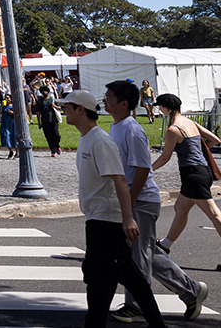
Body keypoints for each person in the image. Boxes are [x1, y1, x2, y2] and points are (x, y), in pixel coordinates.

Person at [56, 89, 166, 328]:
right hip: (98, 219)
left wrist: (128, 219)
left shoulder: (100, 141)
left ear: (80, 110)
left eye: (67, 107)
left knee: (98, 285)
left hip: (106, 223)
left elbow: (119, 180)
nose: (63, 111)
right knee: (133, 281)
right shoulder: (87, 138)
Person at [103, 82, 209, 323]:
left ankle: (137, 306)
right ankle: (191, 290)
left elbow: (142, 169)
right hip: (133, 199)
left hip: (141, 200)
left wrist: (129, 203)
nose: (104, 100)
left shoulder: (131, 129)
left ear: (124, 103)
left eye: (109, 97)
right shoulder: (117, 125)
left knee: (138, 257)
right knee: (146, 253)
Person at [151, 93, 221, 260]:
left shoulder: (173, 129)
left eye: (160, 107)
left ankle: (164, 246)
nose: (159, 110)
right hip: (202, 171)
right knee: (180, 209)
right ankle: (164, 245)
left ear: (166, 108)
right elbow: (214, 140)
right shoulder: (190, 122)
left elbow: (165, 157)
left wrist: (148, 170)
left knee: (214, 214)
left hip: (192, 175)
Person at [35, 85, 62, 157]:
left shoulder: (52, 99)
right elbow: (38, 112)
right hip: (45, 120)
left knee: (57, 135)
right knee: (49, 136)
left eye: (46, 91)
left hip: (53, 119)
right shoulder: (40, 101)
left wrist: (55, 106)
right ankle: (53, 150)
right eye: (43, 91)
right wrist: (39, 122)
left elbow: (58, 107)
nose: (44, 92)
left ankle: (57, 146)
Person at [0, 94, 17, 159]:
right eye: (5, 98)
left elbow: (18, 114)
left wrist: (12, 113)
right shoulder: (3, 106)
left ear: (11, 99)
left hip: (12, 123)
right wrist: (2, 106)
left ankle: (17, 153)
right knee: (5, 136)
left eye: (7, 98)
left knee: (14, 137)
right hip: (5, 123)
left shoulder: (13, 106)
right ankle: (10, 151)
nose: (6, 99)